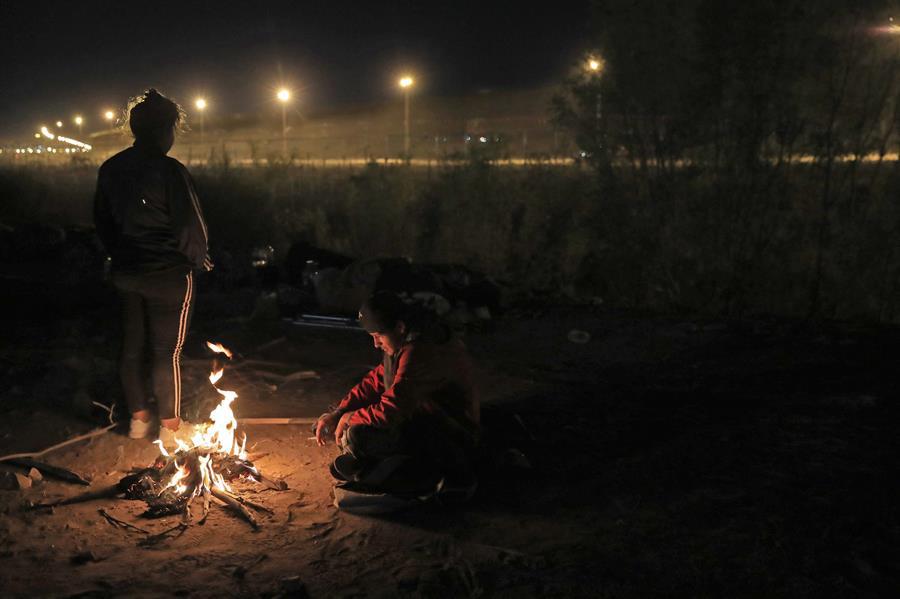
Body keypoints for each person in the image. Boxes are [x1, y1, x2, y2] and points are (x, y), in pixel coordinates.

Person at [93, 89, 212, 445]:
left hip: (127, 273)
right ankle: (170, 428)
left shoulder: (111, 169)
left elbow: (102, 223)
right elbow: (191, 227)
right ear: (166, 130)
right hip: (168, 277)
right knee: (166, 353)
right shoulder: (170, 171)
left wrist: (120, 256)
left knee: (131, 348)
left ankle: (139, 420)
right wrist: (199, 260)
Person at [315, 291, 480, 497]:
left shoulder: (422, 349)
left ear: (400, 327)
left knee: (359, 435)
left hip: (451, 433)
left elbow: (391, 410)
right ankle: (377, 466)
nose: (375, 344)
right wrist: (340, 412)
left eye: (378, 336)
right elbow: (375, 382)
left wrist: (351, 418)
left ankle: (425, 474)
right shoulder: (403, 342)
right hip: (422, 419)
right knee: (356, 429)